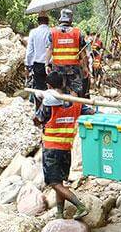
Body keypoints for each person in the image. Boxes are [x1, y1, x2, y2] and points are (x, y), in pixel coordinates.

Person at [34, 71, 90, 220]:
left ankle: (80, 206)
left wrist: (38, 100)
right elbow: (90, 111)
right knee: (60, 182)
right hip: (66, 149)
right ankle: (59, 214)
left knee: (53, 183)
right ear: (63, 84)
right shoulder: (75, 104)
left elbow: (37, 120)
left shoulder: (49, 104)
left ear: (48, 86)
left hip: (52, 148)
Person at [49, 9, 88, 96]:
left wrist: (46, 64)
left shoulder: (53, 32)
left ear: (60, 19)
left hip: (57, 67)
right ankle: (74, 108)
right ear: (71, 20)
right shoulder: (77, 32)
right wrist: (85, 67)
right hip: (73, 68)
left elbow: (49, 49)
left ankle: (60, 108)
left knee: (58, 90)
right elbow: (82, 51)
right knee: (75, 90)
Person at [25, 12, 51, 101]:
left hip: (37, 65)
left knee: (39, 89)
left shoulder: (33, 32)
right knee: (50, 89)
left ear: (38, 22)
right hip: (50, 65)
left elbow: (30, 51)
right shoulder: (52, 31)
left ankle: (39, 111)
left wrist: (28, 65)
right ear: (48, 21)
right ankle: (50, 109)